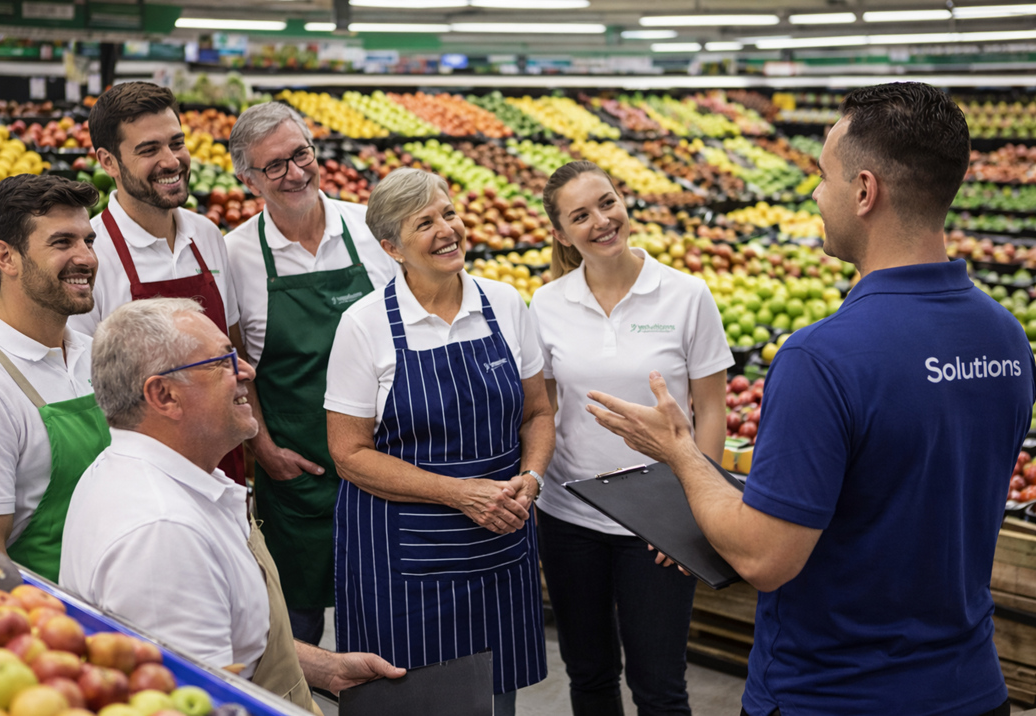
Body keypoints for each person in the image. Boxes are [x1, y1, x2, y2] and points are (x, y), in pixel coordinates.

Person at [587, 82, 1035, 716]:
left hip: (833, 695)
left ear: (865, 191)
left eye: (823, 176)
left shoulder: (820, 357)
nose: (815, 194)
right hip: (971, 689)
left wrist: (679, 451)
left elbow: (765, 557)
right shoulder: (1006, 337)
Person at [59, 297, 405, 713]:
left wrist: (324, 668)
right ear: (164, 395)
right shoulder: (164, 535)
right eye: (222, 361)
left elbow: (233, 639)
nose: (247, 371)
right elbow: (206, 702)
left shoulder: (156, 474)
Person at [324, 168, 554, 716]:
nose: (447, 230)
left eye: (448, 213)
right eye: (424, 223)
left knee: (496, 700)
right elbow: (348, 454)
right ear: (392, 248)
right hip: (403, 556)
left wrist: (532, 477)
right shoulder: (364, 325)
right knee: (409, 699)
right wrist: (459, 494)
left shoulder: (505, 304)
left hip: (498, 543)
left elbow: (539, 413)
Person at [530, 160, 732, 716]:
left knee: (660, 686)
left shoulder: (686, 295)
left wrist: (693, 510)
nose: (601, 221)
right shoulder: (547, 304)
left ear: (623, 202)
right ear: (561, 234)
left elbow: (711, 411)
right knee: (589, 674)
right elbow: (544, 409)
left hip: (661, 522)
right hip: (570, 517)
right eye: (580, 216)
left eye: (607, 202)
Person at [224, 102, 398, 645]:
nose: (295, 173)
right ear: (248, 180)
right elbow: (237, 367)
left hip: (385, 461)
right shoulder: (234, 256)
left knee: (381, 623)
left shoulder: (370, 232)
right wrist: (265, 452)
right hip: (297, 473)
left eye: (301, 154)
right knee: (295, 630)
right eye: (274, 165)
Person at [67, 81, 244, 485]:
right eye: (149, 150)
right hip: (144, 476)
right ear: (108, 162)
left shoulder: (207, 235)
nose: (171, 161)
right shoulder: (90, 256)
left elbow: (233, 349)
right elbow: (83, 389)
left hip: (224, 463)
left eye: (176, 143)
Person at [0, 175, 107, 583]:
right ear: (6, 257)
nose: (86, 258)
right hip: (52, 615)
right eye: (62, 243)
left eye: (89, 241)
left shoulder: (96, 354)